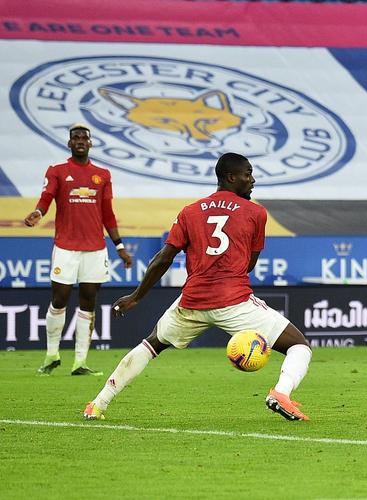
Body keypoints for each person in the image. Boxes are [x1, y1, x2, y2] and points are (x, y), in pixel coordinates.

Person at [82, 153, 313, 421]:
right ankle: (281, 393)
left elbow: (163, 258)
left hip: (192, 302)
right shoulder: (256, 213)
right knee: (299, 346)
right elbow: (248, 265)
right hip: (234, 301)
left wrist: (136, 296)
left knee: (151, 344)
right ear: (231, 177)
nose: (252, 180)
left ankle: (98, 404)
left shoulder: (190, 212)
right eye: (248, 174)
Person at [24, 124, 133, 376]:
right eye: (76, 138)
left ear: (90, 143)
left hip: (95, 249)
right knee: (59, 298)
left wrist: (119, 246)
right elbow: (47, 197)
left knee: (88, 301)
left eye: (84, 137)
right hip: (66, 247)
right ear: (69, 143)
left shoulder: (102, 175)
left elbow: (108, 213)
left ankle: (80, 363)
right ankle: (51, 355)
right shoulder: (57, 171)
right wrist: (39, 212)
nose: (81, 141)